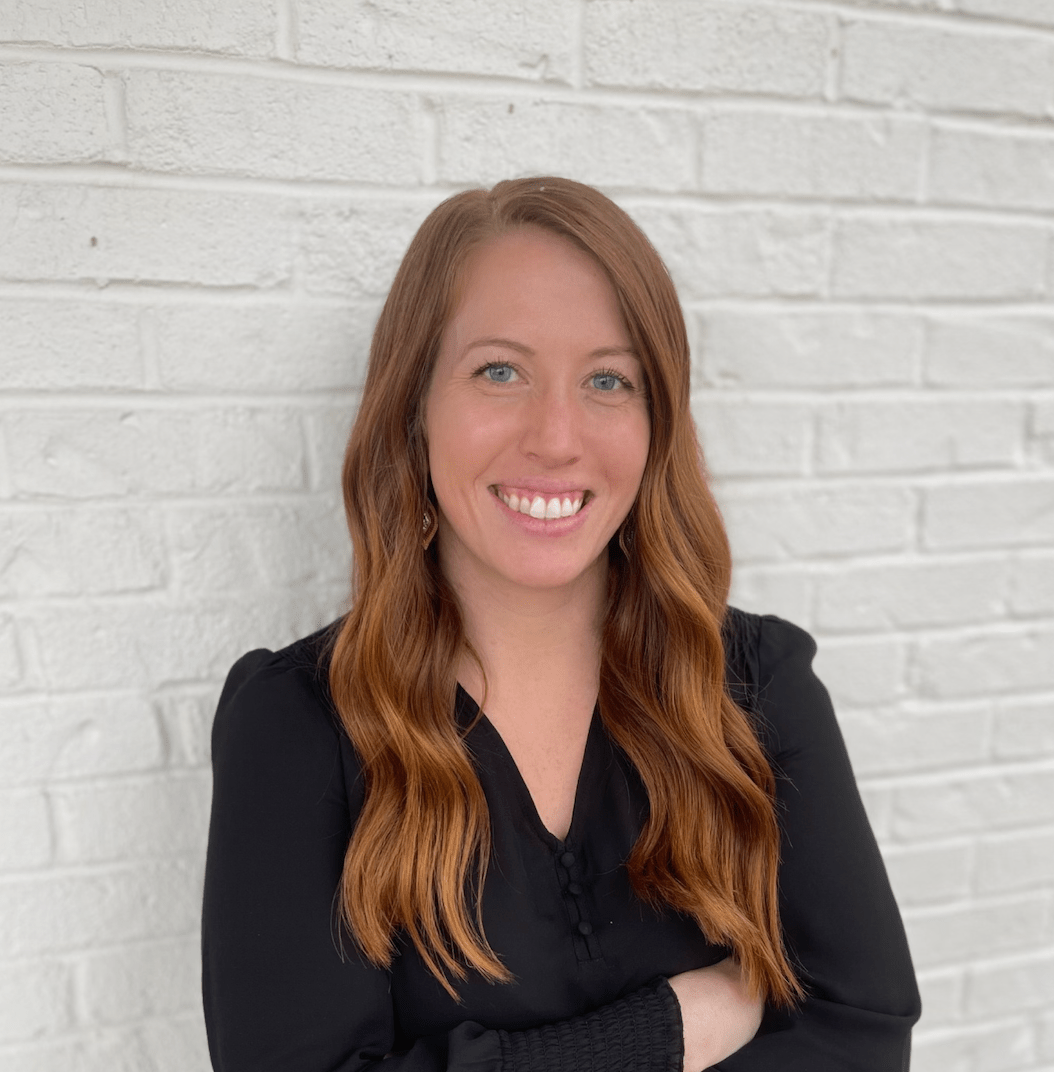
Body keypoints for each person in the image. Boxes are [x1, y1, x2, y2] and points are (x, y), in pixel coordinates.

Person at [201, 177, 921, 1071]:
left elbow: (862, 1036)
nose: (555, 436)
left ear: (658, 422)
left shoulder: (757, 684)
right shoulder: (300, 724)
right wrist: (661, 1033)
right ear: (414, 404)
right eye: (499, 371)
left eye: (608, 380)